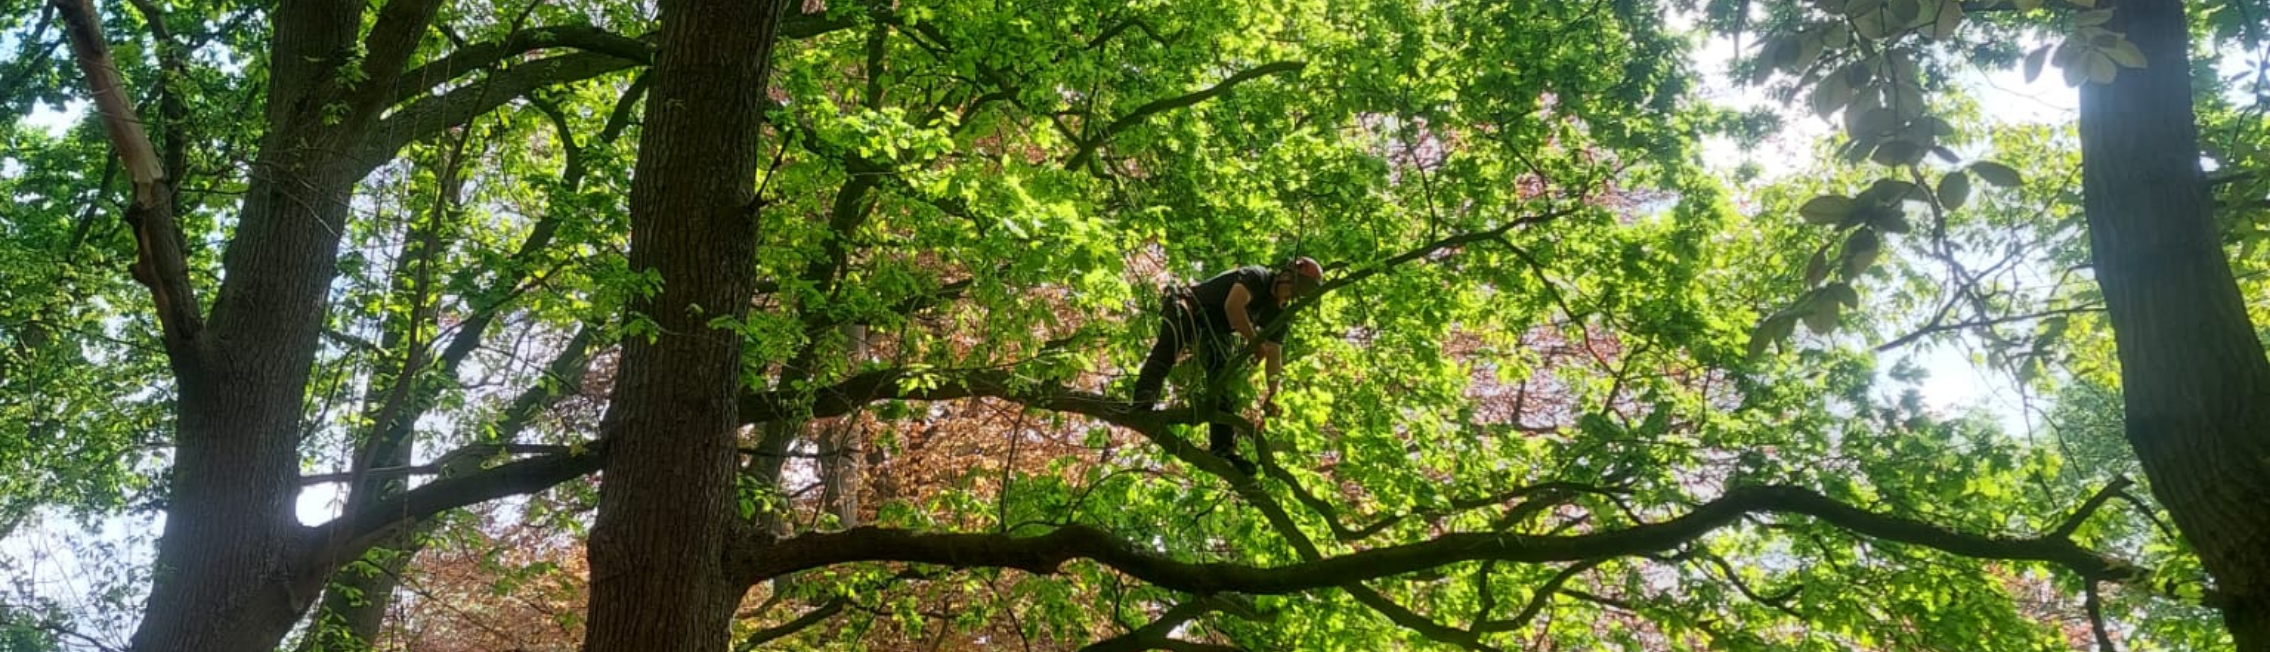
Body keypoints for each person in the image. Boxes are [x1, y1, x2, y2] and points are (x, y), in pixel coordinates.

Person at [1130, 257, 1325, 474]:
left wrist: (1273, 394)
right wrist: (1254, 342)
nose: (1290, 296)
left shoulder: (1277, 312)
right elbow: (1233, 307)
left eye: (1296, 294)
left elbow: (1275, 356)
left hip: (1215, 329)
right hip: (1190, 308)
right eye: (1293, 289)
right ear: (1286, 275)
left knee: (1222, 380)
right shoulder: (1257, 276)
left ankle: (1222, 448)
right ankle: (1143, 399)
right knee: (1171, 345)